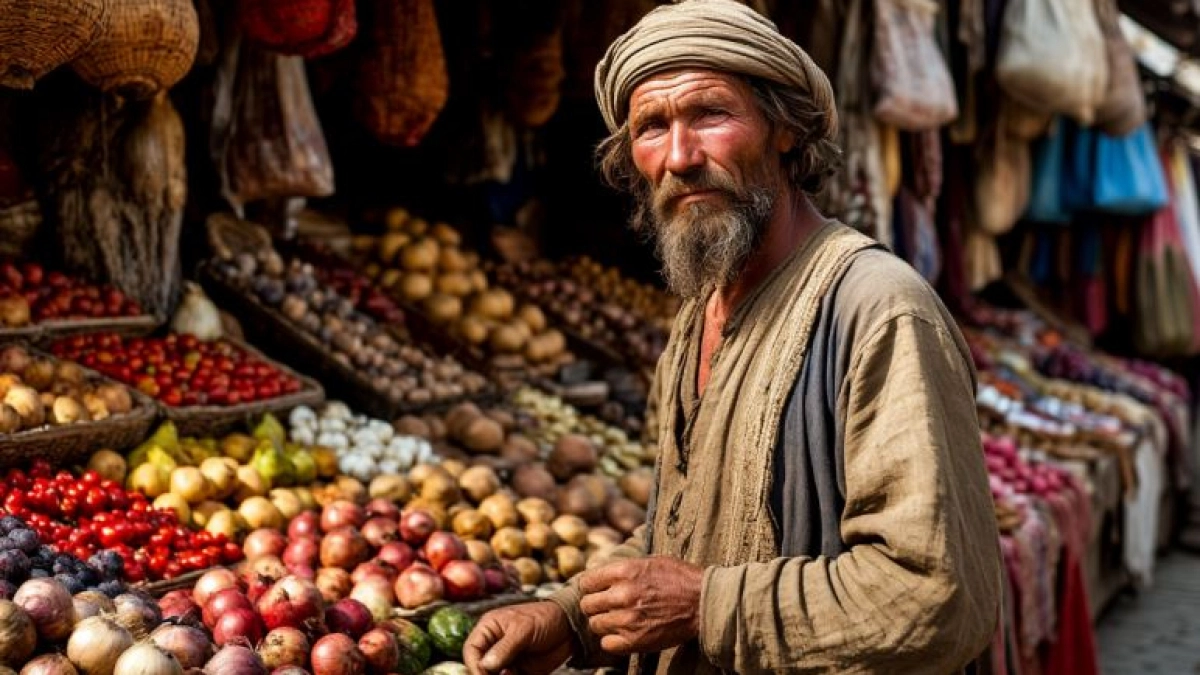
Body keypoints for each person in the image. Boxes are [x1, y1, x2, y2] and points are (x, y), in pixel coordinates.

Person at [464, 1, 1004, 673]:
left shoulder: (877, 310)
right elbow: (690, 531)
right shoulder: (700, 314)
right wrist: (571, 617)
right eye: (652, 127)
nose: (680, 156)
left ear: (783, 128)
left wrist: (707, 605)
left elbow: (936, 594)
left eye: (710, 115)